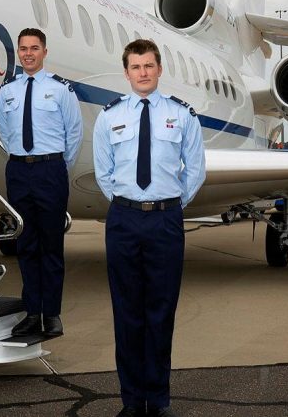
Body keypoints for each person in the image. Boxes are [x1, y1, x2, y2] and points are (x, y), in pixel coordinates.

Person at [92, 39, 206, 417]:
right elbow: (104, 173)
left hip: (165, 221)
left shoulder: (182, 115)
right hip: (124, 220)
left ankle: (157, 400)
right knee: (127, 312)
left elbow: (195, 170)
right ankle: (131, 400)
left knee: (161, 311)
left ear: (159, 70)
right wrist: (129, 204)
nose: (143, 73)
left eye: (149, 66)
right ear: (126, 73)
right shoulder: (110, 116)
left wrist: (168, 204)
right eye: (136, 67)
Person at [0, 28, 83, 337]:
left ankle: (52, 314)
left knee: (51, 246)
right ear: (18, 53)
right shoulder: (8, 91)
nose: (28, 53)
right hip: (19, 171)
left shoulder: (61, 89)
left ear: (45, 52)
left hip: (50, 171)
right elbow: (5, 131)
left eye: (34, 48)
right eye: (23, 49)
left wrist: (57, 166)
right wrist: (22, 159)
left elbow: (74, 132)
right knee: (26, 245)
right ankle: (32, 312)